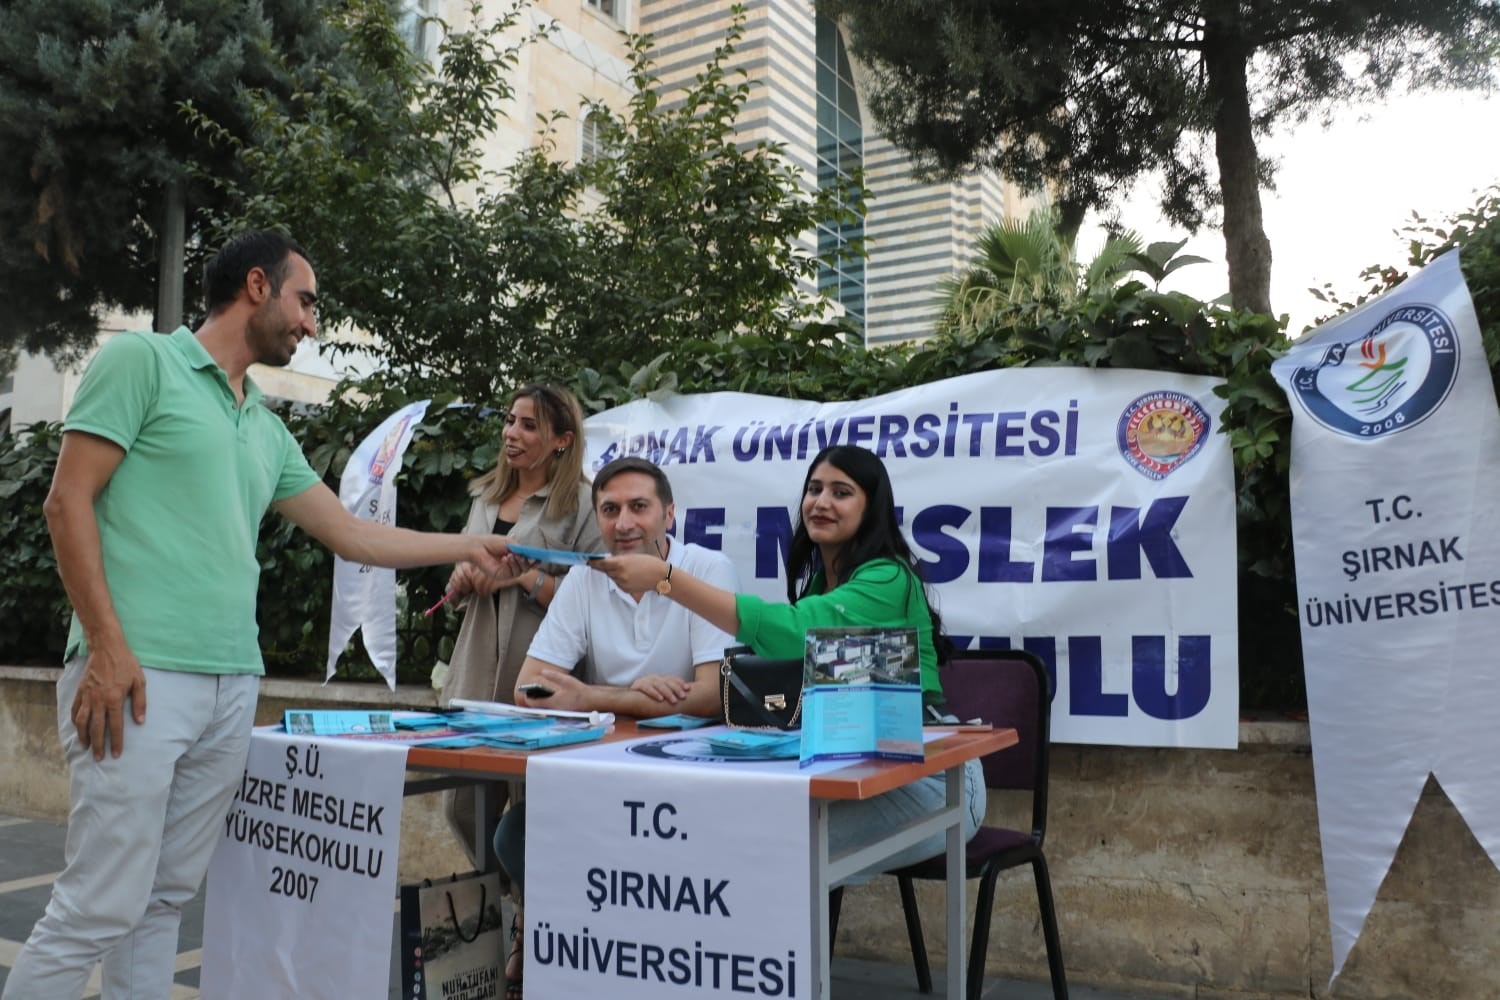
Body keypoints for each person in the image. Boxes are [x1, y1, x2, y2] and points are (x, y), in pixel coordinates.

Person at [6, 231, 515, 1000]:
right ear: (256, 285)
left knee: (163, 900)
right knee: (97, 906)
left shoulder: (264, 423)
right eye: (306, 301)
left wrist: (468, 545)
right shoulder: (143, 362)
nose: (312, 324)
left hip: (230, 686)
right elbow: (65, 500)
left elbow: (351, 533)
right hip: (136, 675)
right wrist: (108, 648)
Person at [594, 444, 987, 876]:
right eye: (814, 489)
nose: (821, 502)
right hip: (854, 768)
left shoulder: (888, 577)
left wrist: (667, 579)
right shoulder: (822, 583)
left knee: (769, 847)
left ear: (871, 507)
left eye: (841, 492)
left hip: (935, 780)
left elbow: (795, 636)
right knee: (728, 825)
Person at [497, 456, 739, 998]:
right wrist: (617, 697)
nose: (624, 522)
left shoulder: (705, 569)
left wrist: (587, 696)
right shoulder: (586, 578)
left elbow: (710, 697)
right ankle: (567, 939)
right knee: (514, 833)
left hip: (693, 774)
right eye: (610, 509)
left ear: (669, 515)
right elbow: (528, 688)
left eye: (639, 507)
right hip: (606, 767)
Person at [438, 383, 601, 868]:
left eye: (529, 425)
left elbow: (592, 601)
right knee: (461, 805)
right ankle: (496, 905)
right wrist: (462, 580)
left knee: (530, 814)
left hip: (538, 672)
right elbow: (459, 594)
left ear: (562, 441)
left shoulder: (585, 504)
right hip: (474, 671)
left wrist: (518, 577)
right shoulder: (485, 497)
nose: (512, 433)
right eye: (510, 420)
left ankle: (525, 921)